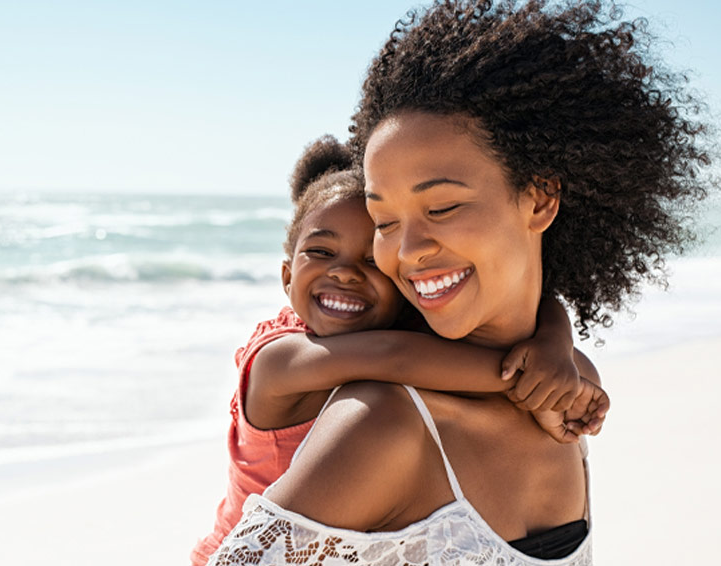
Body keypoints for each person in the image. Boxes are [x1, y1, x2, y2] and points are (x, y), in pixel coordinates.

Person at [208, 0, 714, 565]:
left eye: (442, 207)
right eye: (385, 220)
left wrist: (554, 345)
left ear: (541, 199)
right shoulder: (382, 423)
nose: (408, 249)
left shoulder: (562, 391)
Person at [188, 136, 607, 565]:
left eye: (371, 259)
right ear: (286, 276)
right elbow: (394, 355)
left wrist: (553, 343)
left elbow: (532, 308)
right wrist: (535, 381)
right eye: (320, 251)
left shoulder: (391, 328)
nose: (345, 273)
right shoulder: (279, 359)